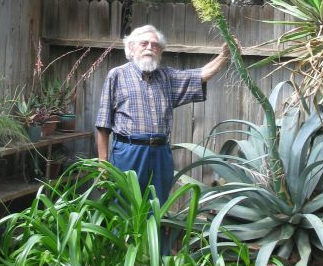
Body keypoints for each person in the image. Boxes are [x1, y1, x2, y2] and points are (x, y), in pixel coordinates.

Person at [95, 24, 232, 206]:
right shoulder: (117, 75)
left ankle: (155, 235)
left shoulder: (167, 77)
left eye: (155, 45)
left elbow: (200, 75)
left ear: (160, 52)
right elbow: (103, 125)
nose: (150, 48)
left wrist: (225, 56)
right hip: (128, 153)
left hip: (160, 153)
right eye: (144, 43)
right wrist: (102, 166)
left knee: (157, 205)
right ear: (131, 48)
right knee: (123, 206)